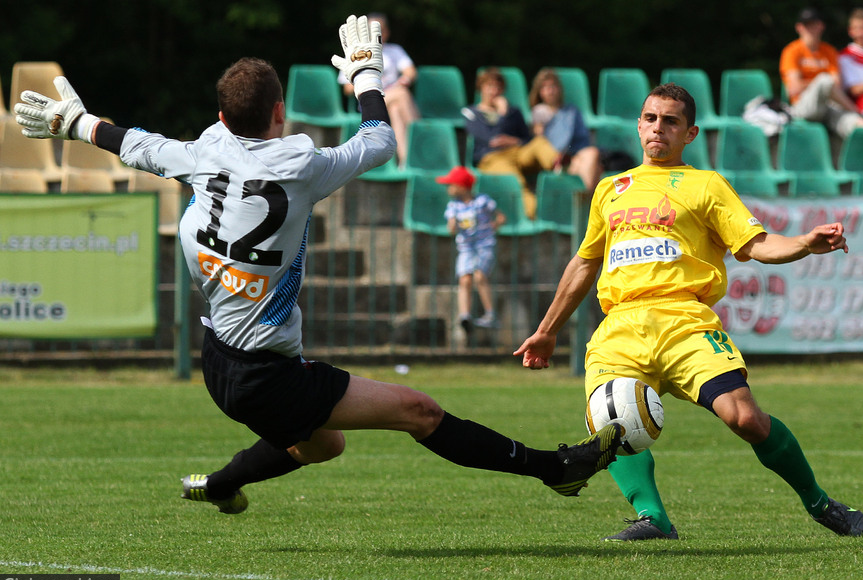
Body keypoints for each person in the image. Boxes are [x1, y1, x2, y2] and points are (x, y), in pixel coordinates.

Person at [14, 15, 623, 512]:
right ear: (281, 114)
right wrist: (364, 73)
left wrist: (74, 122)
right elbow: (380, 141)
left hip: (219, 359)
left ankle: (222, 484)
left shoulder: (199, 152)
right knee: (420, 411)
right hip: (265, 373)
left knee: (324, 444)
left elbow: (135, 144)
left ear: (223, 118)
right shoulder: (300, 166)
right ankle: (555, 470)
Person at [515, 82, 863, 540]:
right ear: (639, 124)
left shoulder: (705, 184)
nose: (657, 129)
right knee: (613, 424)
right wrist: (547, 330)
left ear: (690, 134)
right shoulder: (611, 188)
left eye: (670, 121)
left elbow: (757, 243)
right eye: (650, 118)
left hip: (685, 321)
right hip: (621, 325)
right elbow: (586, 260)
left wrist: (804, 243)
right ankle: (654, 519)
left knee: (745, 419)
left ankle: (822, 504)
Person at [462, 67, 560, 220]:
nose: (494, 91)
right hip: (492, 158)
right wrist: (502, 114)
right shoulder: (471, 113)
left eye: (498, 87)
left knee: (540, 142)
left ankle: (559, 165)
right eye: (489, 86)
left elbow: (527, 139)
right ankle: (536, 213)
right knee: (516, 180)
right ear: (480, 88)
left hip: (518, 152)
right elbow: (491, 139)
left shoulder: (514, 112)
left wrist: (515, 141)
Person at [338, 12, 419, 166]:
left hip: (394, 101)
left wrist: (405, 79)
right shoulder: (357, 53)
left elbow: (411, 72)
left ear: (387, 32)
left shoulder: (394, 51)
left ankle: (405, 161)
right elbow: (347, 89)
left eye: (381, 29)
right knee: (402, 94)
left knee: (396, 110)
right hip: (370, 102)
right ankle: (419, 135)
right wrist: (368, 82)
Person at [780, 7, 863, 138]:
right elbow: (793, 88)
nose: (810, 29)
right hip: (803, 107)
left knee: (853, 122)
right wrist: (818, 84)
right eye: (806, 25)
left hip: (828, 107)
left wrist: (812, 84)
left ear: (821, 26)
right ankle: (857, 110)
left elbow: (837, 85)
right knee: (824, 80)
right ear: (799, 27)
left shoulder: (829, 51)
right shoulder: (791, 51)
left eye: (814, 24)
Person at [438, 165, 506, 333]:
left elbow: (501, 216)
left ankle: (490, 314)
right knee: (465, 279)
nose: (448, 189)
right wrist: (452, 226)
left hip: (484, 245)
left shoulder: (483, 201)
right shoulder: (453, 207)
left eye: (451, 185)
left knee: (479, 276)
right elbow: (450, 229)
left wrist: (495, 224)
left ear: (461, 186)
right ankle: (465, 315)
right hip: (466, 248)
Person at [529, 68, 603, 190]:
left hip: (572, 157)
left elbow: (582, 141)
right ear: (540, 92)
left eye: (553, 86)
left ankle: (587, 203)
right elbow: (540, 145)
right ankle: (588, 204)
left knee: (592, 154)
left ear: (559, 89)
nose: (550, 91)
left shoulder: (571, 111)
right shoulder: (538, 112)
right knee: (593, 168)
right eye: (545, 87)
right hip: (552, 161)